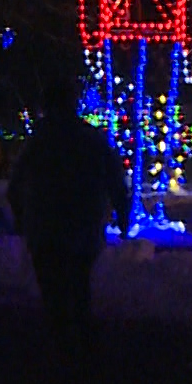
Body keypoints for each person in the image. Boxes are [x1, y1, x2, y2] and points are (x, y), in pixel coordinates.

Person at [8, 79, 129, 352]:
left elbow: (15, 185)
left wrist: (21, 220)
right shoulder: (91, 138)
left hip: (45, 228)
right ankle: (84, 350)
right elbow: (116, 182)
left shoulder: (38, 142)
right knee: (79, 286)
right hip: (83, 227)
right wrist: (121, 218)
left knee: (53, 293)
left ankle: (61, 349)